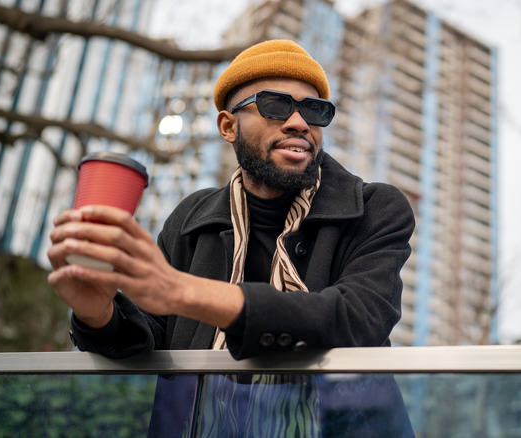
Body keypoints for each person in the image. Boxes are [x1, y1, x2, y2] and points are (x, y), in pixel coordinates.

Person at [47, 39, 416, 361]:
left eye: (315, 110)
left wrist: (182, 291)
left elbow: (359, 319)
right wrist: (98, 314)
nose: (299, 123)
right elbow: (148, 336)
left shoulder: (375, 208)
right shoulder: (191, 218)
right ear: (228, 126)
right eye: (277, 105)